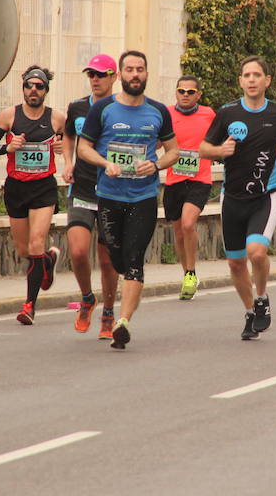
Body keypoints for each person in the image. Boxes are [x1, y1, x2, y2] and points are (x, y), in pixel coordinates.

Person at [200, 56, 276, 340]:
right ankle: (251, 311)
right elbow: (203, 148)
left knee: (256, 251)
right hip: (232, 198)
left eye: (257, 75)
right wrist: (219, 151)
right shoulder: (227, 113)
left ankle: (262, 297)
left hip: (265, 196)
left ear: (267, 81)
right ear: (240, 81)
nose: (251, 79)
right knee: (235, 263)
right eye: (246, 75)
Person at [77, 51, 179, 349]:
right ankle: (113, 306)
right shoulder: (103, 109)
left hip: (144, 196)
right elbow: (84, 148)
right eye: (130, 69)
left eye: (141, 69)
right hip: (109, 195)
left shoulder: (158, 111)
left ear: (147, 74)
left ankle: (122, 322)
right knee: (116, 257)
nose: (136, 74)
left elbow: (174, 150)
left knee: (135, 258)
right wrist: (104, 162)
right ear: (120, 75)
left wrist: (157, 164)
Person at [0, 66, 64, 325]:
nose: (33, 90)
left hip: (43, 188)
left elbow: (73, 141)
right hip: (16, 188)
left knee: (36, 242)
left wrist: (64, 147)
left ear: (45, 91)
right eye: (29, 85)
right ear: (23, 89)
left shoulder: (57, 119)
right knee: (23, 249)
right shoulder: (9, 116)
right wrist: (8, 147)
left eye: (39, 86)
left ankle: (29, 306)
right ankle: (48, 260)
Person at [63, 55, 120, 339]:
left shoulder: (123, 108)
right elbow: (68, 135)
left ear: (114, 77)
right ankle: (87, 298)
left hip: (113, 191)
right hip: (82, 189)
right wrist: (68, 162)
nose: (95, 79)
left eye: (101, 74)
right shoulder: (77, 107)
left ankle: (108, 312)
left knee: (108, 260)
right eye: (91, 75)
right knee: (77, 250)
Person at [164, 75, 216, 300]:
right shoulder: (166, 114)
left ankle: (192, 271)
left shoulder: (209, 114)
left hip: (199, 179)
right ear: (176, 93)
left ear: (198, 95)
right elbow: (157, 142)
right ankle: (186, 274)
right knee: (178, 231)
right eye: (181, 91)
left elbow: (220, 140)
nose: (185, 95)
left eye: (190, 92)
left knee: (188, 223)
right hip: (174, 180)